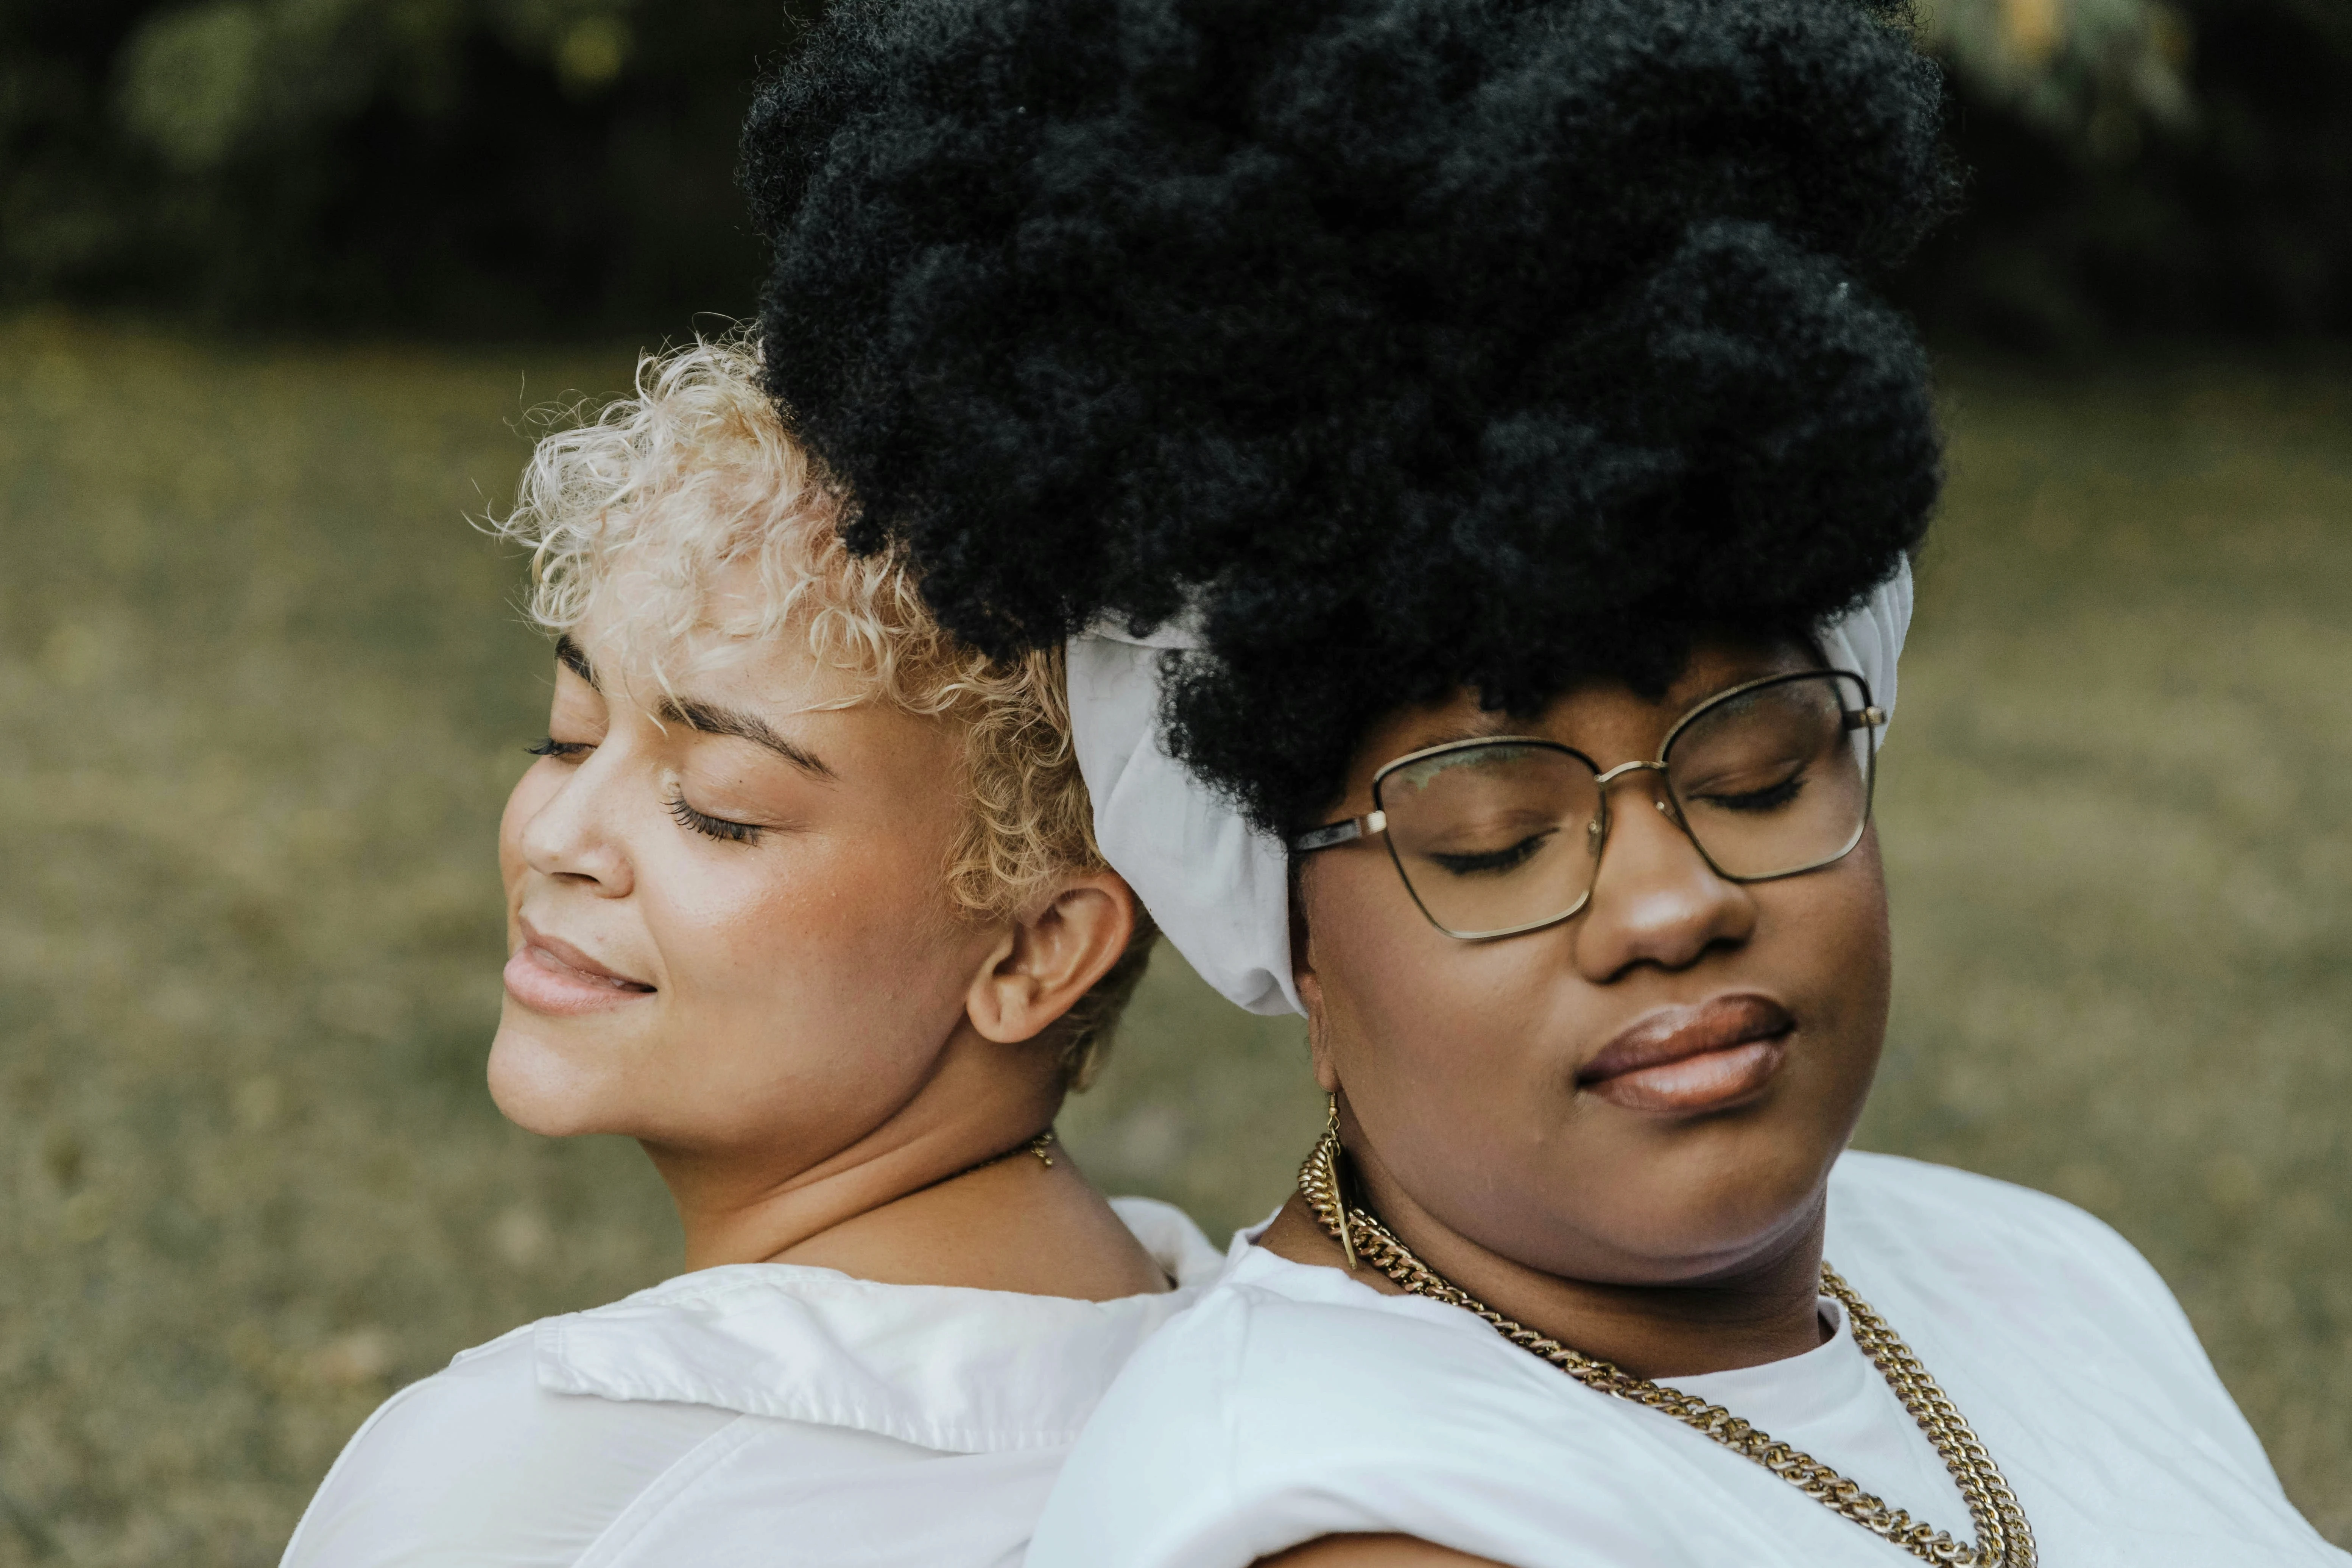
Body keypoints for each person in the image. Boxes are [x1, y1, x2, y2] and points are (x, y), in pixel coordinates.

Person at [738, 0, 2352, 1562]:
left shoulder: (2029, 1267)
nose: (1670, 903)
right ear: (1295, 947)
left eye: (1754, 771)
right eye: (1493, 839)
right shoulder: (1355, 1511)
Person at [277, 336, 1221, 1568]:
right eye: (568, 736)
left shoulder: (535, 1494)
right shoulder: (1213, 1363)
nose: (557, 837)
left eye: (718, 806)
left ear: (1036, 949)